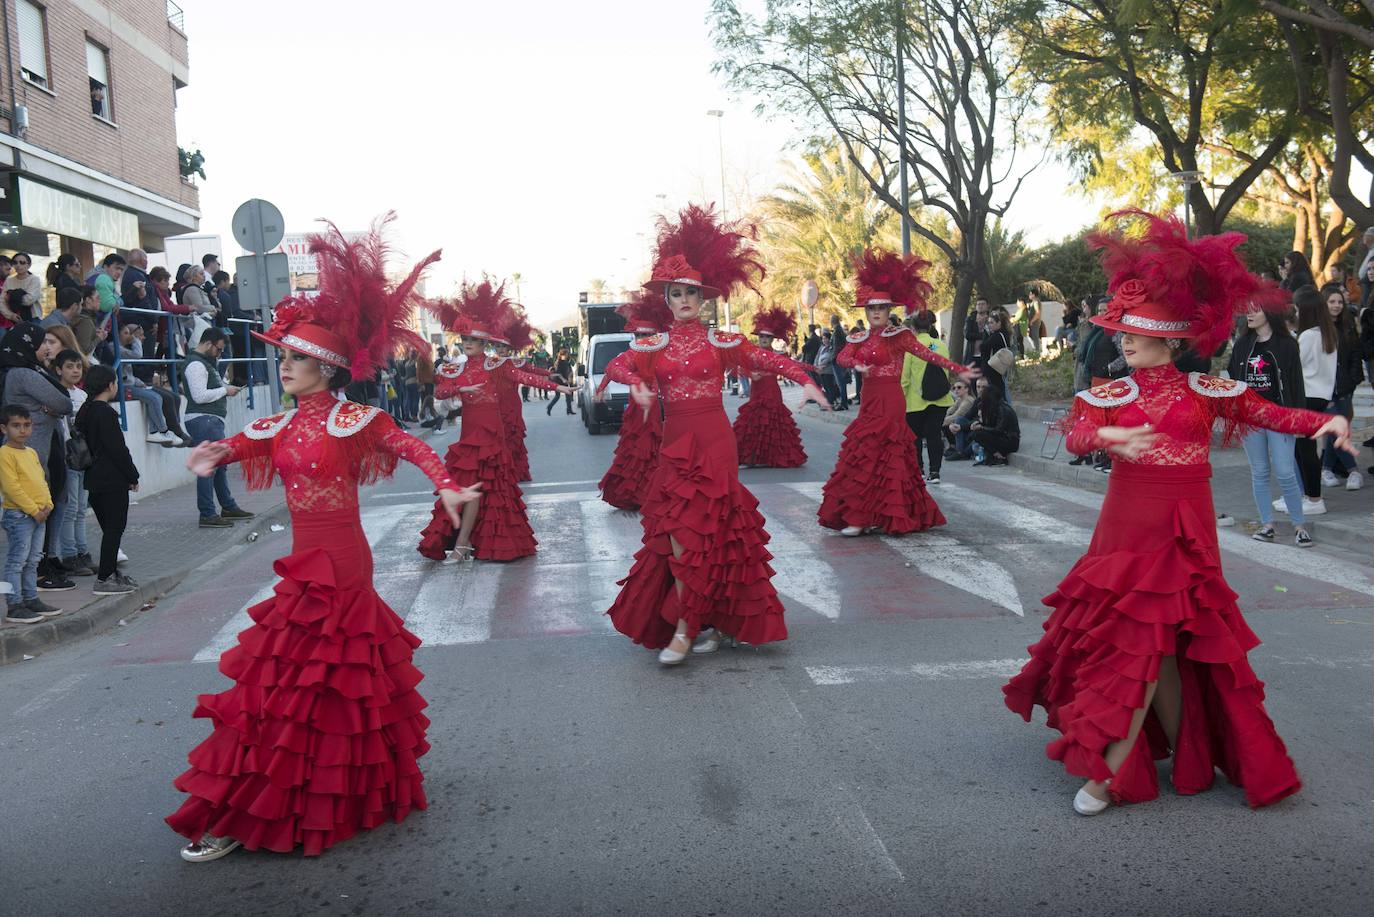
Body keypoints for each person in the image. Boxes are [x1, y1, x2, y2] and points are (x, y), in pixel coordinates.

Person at [1004, 210, 1353, 817]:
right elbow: (1080, 436)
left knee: (1160, 641)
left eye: (1135, 332)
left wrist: (1327, 420)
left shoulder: (1208, 392)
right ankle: (1164, 760)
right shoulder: (1107, 395)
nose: (1123, 339)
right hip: (1125, 531)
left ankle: (1121, 771)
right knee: (1147, 644)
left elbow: (1274, 414)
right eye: (1121, 332)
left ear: (1170, 340)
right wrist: (1114, 441)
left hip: (1185, 534)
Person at [167, 217, 482, 863]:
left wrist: (446, 484)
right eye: (283, 357)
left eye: (295, 358)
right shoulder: (280, 422)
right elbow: (238, 444)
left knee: (322, 683)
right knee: (289, 682)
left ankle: (302, 802)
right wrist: (212, 454)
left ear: (327, 366)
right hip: (302, 563)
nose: (284, 365)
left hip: (341, 562)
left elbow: (413, 445)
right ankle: (274, 800)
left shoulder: (355, 418)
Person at [602, 204, 830, 665]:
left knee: (717, 534)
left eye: (691, 293)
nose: (684, 300)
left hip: (715, 443)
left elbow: (771, 361)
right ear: (665, 300)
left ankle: (700, 626)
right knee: (683, 535)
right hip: (677, 446)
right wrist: (638, 384)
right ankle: (689, 624)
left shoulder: (722, 342)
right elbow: (615, 366)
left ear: (703, 299)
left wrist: (804, 380)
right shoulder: (653, 346)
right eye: (675, 293)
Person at [818, 249, 975, 537]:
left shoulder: (900, 336)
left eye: (881, 308)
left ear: (889, 311)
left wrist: (957, 367)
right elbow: (841, 358)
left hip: (891, 400)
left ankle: (891, 515)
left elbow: (928, 355)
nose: (876, 312)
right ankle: (861, 517)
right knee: (865, 455)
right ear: (865, 312)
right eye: (871, 308)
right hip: (869, 400)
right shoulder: (858, 337)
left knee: (890, 455)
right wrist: (856, 364)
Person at [418, 281, 571, 562]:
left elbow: (527, 378)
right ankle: (463, 541)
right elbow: (439, 391)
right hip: (469, 437)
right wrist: (459, 390)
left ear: (484, 343)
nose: (467, 345)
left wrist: (559, 388)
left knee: (485, 488)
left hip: (491, 436)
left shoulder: (497, 365)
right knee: (469, 487)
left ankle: (465, 543)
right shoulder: (456, 368)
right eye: (464, 341)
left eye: (472, 341)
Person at [1226, 304, 1313, 545]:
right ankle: (1267, 525)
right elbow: (1234, 379)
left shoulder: (1287, 345)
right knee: (1260, 472)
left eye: (1256, 310)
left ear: (1270, 313)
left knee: (1285, 472)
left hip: (1279, 416)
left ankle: (1299, 526)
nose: (1249, 314)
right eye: (1247, 310)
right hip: (1251, 418)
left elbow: (1296, 383)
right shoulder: (1243, 345)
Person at [1, 322, 75, 592]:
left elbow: (62, 399)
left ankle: (45, 566)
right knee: (34, 518)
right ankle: (34, 582)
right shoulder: (22, 373)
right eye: (40, 342)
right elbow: (64, 403)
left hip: (46, 448)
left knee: (53, 502)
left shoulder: (32, 370)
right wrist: (49, 408)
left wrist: (52, 406)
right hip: (34, 454)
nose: (45, 348)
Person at [596, 294, 670, 509]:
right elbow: (612, 368)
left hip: (655, 407)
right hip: (636, 409)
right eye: (638, 335)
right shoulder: (632, 354)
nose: (643, 340)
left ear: (656, 335)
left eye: (647, 335)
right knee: (636, 448)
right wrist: (601, 389)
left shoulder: (663, 354)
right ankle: (636, 493)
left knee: (653, 448)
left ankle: (652, 492)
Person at [74, 364, 141, 595]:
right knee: (114, 529)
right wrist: (133, 475)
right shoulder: (105, 412)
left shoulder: (86, 410)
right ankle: (104, 579)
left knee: (109, 530)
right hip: (112, 479)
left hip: (93, 479)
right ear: (110, 385)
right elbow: (118, 449)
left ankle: (111, 574)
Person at [182, 328, 254, 528]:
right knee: (209, 467)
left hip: (209, 420)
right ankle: (207, 514)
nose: (219, 354)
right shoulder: (196, 364)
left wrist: (224, 388)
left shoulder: (204, 362)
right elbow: (198, 396)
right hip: (203, 420)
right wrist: (225, 390)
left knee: (218, 466)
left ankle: (227, 506)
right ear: (207, 343)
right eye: (218, 350)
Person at [1, 404, 62, 623]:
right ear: (4, 428)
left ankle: (31, 599)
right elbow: (12, 487)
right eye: (16, 426)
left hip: (39, 514)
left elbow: (41, 480)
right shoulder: (4, 454)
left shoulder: (31, 452)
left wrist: (48, 505)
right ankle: (14, 605)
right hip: (19, 516)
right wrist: (34, 511)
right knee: (16, 562)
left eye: (27, 425)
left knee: (33, 560)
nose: (22, 430)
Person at [732, 306, 809, 469]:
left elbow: (793, 365)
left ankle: (776, 456)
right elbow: (739, 366)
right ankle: (751, 457)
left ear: (772, 338)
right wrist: (751, 374)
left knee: (774, 422)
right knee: (754, 421)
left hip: (772, 391)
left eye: (767, 337)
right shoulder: (751, 354)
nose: (764, 339)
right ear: (758, 337)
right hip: (757, 391)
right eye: (761, 336)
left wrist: (813, 368)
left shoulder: (777, 356)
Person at [1290, 285, 1336, 515]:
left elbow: (1294, 365)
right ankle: (1308, 496)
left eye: (1298, 309)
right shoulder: (1326, 334)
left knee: (1305, 450)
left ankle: (1314, 499)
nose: (1296, 313)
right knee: (1305, 449)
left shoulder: (1308, 336)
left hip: (1305, 397)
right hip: (1320, 397)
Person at [52, 350, 95, 576]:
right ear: (59, 369)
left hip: (83, 457)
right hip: (67, 457)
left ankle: (82, 552)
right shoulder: (55, 394)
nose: (75, 371)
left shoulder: (82, 395)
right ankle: (68, 555)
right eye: (69, 366)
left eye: (78, 366)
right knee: (69, 508)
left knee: (80, 509)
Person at [900, 310, 954, 483]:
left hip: (916, 401)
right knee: (934, 436)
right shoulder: (941, 345)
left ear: (913, 328)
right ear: (930, 326)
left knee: (915, 438)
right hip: (940, 399)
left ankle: (920, 470)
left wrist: (900, 399)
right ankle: (935, 472)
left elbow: (905, 378)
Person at [1317, 286, 1363, 490]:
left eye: (1339, 302)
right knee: (1337, 429)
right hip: (1325, 390)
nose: (1336, 306)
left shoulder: (1348, 326)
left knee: (1339, 430)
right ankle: (1354, 471)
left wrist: (1353, 379)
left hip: (1345, 387)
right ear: (1324, 304)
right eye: (1331, 302)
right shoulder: (1316, 329)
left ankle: (1326, 468)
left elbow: (1355, 354)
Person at [116, 323, 182, 446]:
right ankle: (163, 430)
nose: (129, 336)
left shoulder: (124, 349)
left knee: (168, 396)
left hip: (131, 384)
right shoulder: (116, 348)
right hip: (123, 387)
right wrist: (135, 339)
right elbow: (138, 355)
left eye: (129, 333)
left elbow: (128, 375)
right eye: (125, 333)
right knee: (154, 398)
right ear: (117, 335)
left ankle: (160, 430)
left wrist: (139, 382)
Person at [962, 376, 1019, 465]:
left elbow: (999, 430)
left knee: (978, 434)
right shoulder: (993, 408)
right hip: (1001, 437)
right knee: (976, 433)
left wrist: (982, 427)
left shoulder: (1003, 409)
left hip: (1009, 440)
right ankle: (995, 454)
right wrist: (979, 422)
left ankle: (997, 456)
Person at [2, 251, 43, 327]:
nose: (18, 265)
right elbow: (1, 302)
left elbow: (29, 300)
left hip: (33, 318)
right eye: (15, 262)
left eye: (22, 262)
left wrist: (10, 297)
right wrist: (11, 315)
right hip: (13, 319)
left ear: (29, 265)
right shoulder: (9, 280)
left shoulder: (34, 279)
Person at [941, 379, 976, 460]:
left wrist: (939, 422)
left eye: (959, 387)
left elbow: (957, 416)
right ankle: (953, 447)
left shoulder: (968, 400)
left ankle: (959, 451)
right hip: (964, 427)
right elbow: (949, 411)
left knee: (958, 420)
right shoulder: (959, 399)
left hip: (969, 428)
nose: (956, 390)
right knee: (948, 422)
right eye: (954, 388)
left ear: (967, 389)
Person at [829, 314, 852, 410]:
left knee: (841, 383)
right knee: (841, 383)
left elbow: (837, 346)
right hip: (840, 358)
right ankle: (844, 401)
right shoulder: (840, 330)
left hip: (837, 359)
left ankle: (843, 403)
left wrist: (833, 357)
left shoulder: (837, 331)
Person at [94, 253, 127, 318]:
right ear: (105, 267)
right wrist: (118, 301)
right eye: (117, 268)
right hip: (99, 323)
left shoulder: (105, 278)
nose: (119, 272)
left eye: (121, 270)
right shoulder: (103, 279)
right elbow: (108, 305)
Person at [547, 348, 575, 416]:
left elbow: (569, 371)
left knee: (568, 395)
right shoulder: (559, 362)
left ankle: (569, 410)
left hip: (564, 381)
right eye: (566, 354)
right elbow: (558, 373)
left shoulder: (566, 362)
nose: (567, 356)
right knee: (557, 396)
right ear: (563, 354)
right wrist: (563, 379)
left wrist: (569, 377)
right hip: (558, 381)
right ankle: (549, 407)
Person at [963, 296, 990, 364]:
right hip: (973, 354)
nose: (980, 306)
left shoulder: (991, 319)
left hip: (987, 354)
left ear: (987, 306)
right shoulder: (971, 319)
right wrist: (983, 336)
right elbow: (967, 335)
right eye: (978, 304)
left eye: (983, 304)